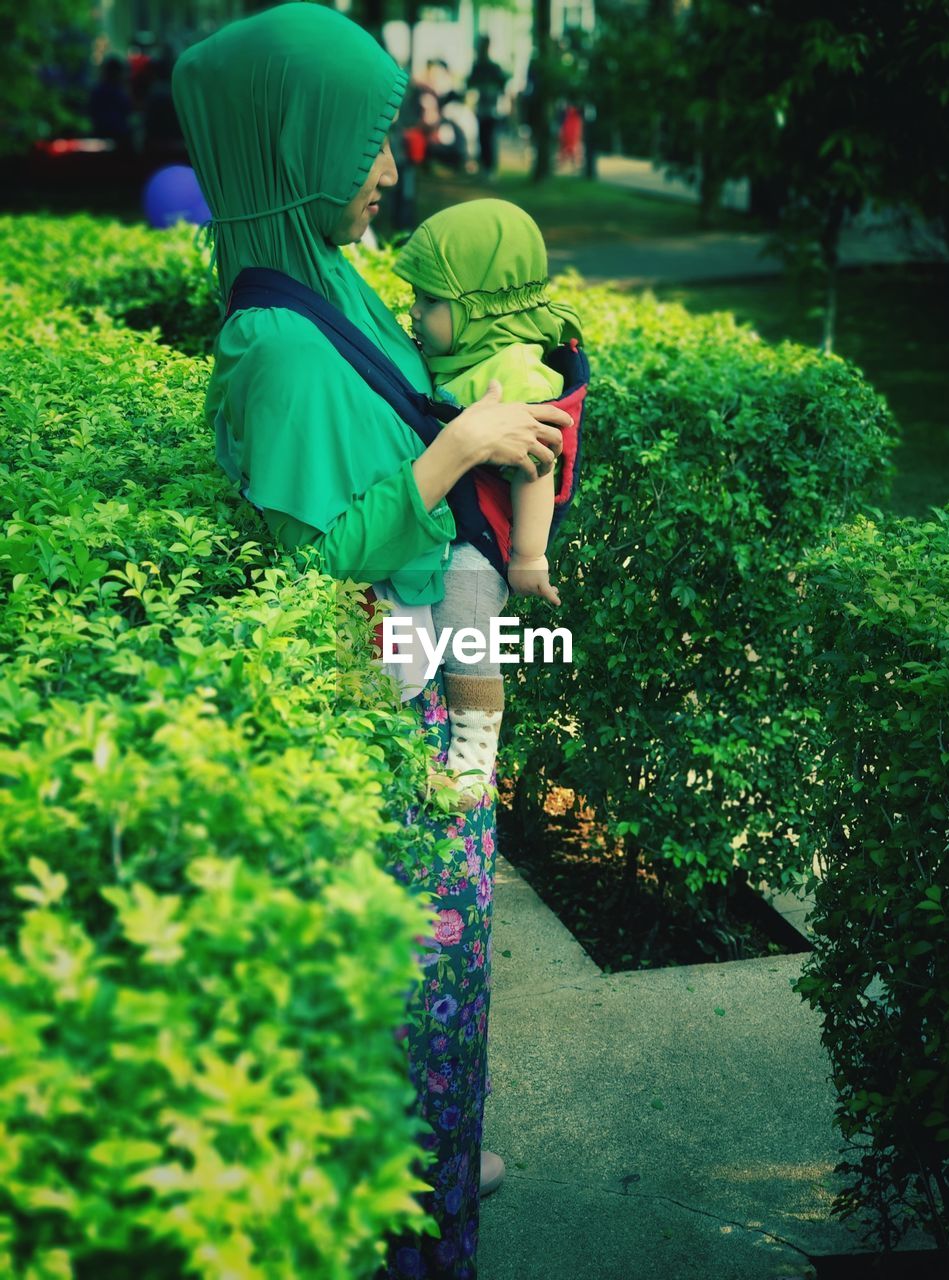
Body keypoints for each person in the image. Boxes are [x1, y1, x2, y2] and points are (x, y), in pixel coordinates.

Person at [171, 7, 570, 1278]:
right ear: (293, 148)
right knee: (416, 966)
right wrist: (456, 453)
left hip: (416, 676)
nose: (393, 171)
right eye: (367, 145)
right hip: (377, 706)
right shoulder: (278, 344)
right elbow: (310, 577)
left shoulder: (329, 273)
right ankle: (418, 1221)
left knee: (447, 958)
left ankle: (442, 1158)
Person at [394, 198, 583, 806]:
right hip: (454, 527)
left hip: (484, 548)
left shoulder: (515, 372)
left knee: (467, 634)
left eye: (429, 302)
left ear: (480, 305)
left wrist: (529, 558)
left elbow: (536, 466)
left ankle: (475, 757)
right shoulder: (468, 351)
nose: (415, 312)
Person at [467, 36, 508, 178]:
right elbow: (470, 84)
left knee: (489, 138)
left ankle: (489, 168)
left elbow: (502, 85)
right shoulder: (478, 66)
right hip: (481, 108)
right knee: (482, 139)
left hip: (492, 109)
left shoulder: (493, 67)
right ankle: (485, 166)